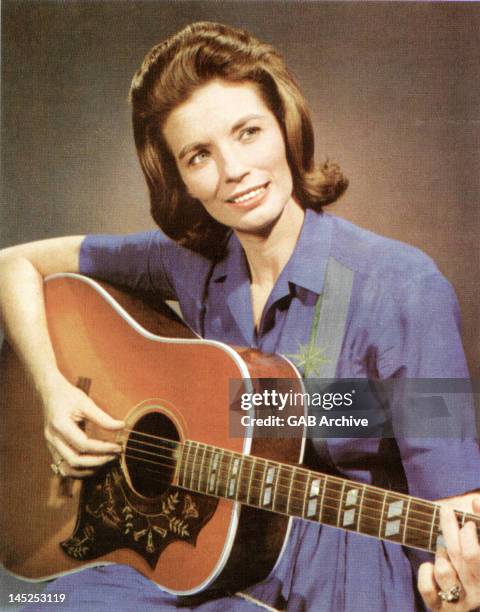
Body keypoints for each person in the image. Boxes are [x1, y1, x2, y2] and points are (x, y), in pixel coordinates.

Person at [0, 21, 479, 612]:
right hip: (199, 551)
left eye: (248, 132)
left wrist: (454, 590)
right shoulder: (190, 261)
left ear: (285, 125)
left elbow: (457, 516)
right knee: (39, 606)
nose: (233, 171)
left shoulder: (404, 289)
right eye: (199, 155)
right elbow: (11, 266)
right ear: (176, 177)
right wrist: (53, 395)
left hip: (339, 583)